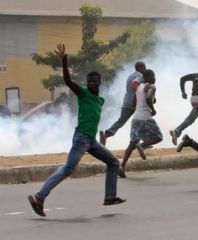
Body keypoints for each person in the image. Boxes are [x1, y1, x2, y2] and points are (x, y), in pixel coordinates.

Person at [28, 44, 125, 217]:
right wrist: (64, 61)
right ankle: (39, 197)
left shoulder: (100, 100)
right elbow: (67, 80)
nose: (92, 84)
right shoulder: (83, 93)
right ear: (87, 84)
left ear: (100, 83)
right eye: (89, 82)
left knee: (114, 162)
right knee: (67, 169)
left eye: (95, 81)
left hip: (91, 141)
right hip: (81, 138)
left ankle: (110, 197)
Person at [119, 69, 163, 178]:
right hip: (146, 118)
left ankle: (122, 166)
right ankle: (142, 146)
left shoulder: (139, 88)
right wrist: (153, 109)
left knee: (131, 143)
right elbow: (148, 97)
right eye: (153, 76)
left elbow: (134, 103)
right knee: (158, 137)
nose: (155, 78)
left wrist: (142, 106)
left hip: (136, 119)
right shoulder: (151, 87)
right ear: (148, 78)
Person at [169, 59, 198, 145]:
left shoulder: (196, 75)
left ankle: (177, 131)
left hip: (194, 99)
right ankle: (177, 131)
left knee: (197, 118)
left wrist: (183, 92)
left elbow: (182, 78)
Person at [100, 61, 146, 145]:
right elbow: (134, 84)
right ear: (141, 68)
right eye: (144, 68)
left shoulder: (130, 76)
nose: (145, 70)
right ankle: (141, 142)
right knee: (143, 120)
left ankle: (106, 134)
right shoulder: (140, 76)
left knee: (121, 121)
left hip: (127, 103)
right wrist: (140, 94)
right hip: (136, 103)